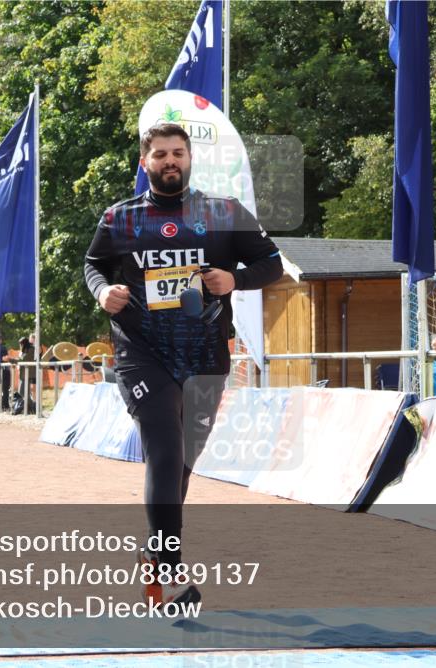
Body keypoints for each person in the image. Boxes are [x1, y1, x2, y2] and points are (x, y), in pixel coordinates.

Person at [84, 122, 283, 607]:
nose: (169, 161)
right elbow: (93, 265)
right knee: (166, 451)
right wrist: (102, 291)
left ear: (189, 158)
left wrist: (233, 279)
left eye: (177, 153)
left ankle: (154, 554)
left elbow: (272, 263)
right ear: (144, 162)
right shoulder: (120, 218)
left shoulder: (223, 213)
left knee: (183, 465)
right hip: (141, 352)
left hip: (204, 354)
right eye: (159, 154)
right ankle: (171, 574)